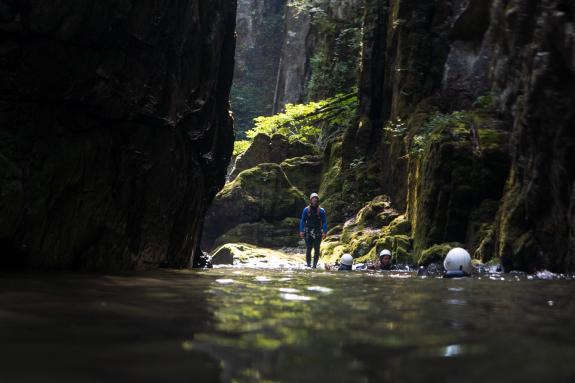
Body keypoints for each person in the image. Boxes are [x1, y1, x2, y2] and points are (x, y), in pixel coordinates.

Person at [299, 193, 327, 268]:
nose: (314, 201)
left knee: (317, 249)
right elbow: (302, 220)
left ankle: (314, 266)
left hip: (318, 232)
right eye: (313, 199)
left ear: (318, 201)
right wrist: (301, 230)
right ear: (310, 200)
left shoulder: (321, 211)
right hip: (308, 232)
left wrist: (324, 232)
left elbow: (324, 221)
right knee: (308, 249)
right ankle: (308, 265)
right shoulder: (306, 210)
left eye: (316, 199)